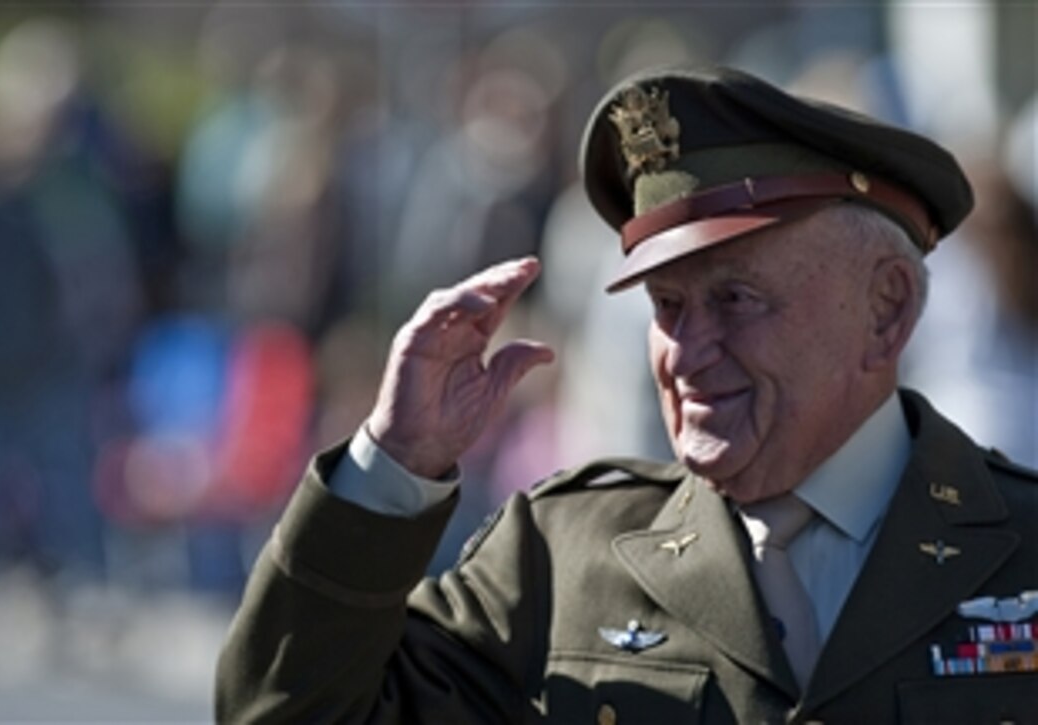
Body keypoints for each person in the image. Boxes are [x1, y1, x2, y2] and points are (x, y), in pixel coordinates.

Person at [216, 65, 1038, 723]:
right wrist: (391, 468)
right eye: (667, 307)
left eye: (735, 299)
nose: (687, 351)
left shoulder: (1020, 547)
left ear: (885, 307)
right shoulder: (558, 556)